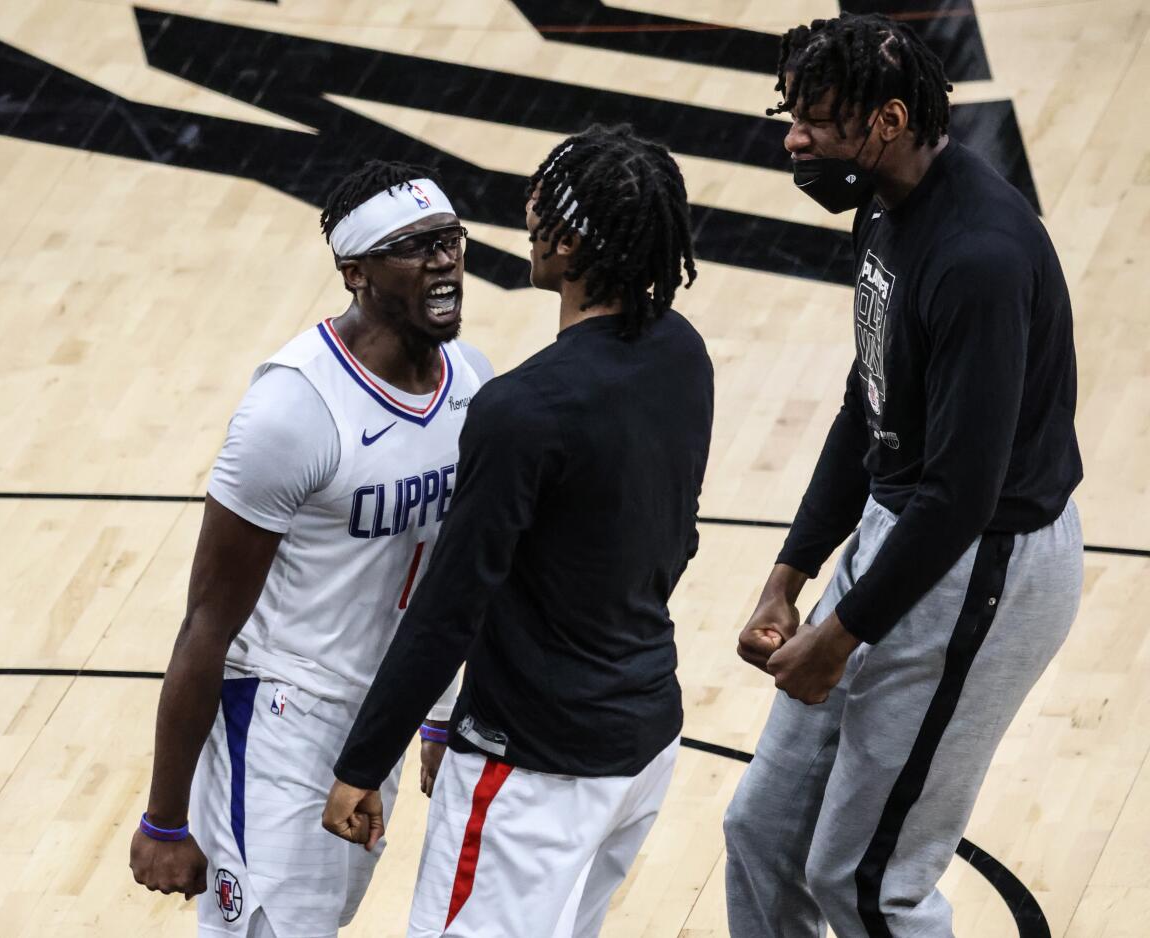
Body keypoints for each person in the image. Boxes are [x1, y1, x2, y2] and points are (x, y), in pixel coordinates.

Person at [723, 13, 1084, 938]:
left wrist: (840, 636)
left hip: (983, 570)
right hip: (904, 529)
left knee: (868, 883)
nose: (793, 137)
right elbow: (868, 398)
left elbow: (964, 494)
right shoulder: (883, 205)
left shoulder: (980, 259)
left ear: (887, 120)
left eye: (816, 119)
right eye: (790, 112)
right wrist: (788, 577)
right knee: (761, 833)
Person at [320, 124, 714, 938]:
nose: (525, 219)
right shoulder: (683, 351)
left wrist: (364, 763)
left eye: (541, 210)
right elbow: (679, 542)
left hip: (534, 767)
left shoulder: (523, 409)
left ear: (568, 245)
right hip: (641, 742)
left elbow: (450, 607)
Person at [128, 160, 493, 938]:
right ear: (357, 274)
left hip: (380, 712)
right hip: (285, 716)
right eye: (412, 246)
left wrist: (434, 710)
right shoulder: (292, 409)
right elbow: (206, 624)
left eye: (448, 237)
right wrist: (164, 818)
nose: (442, 258)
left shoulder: (470, 380)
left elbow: (452, 572)